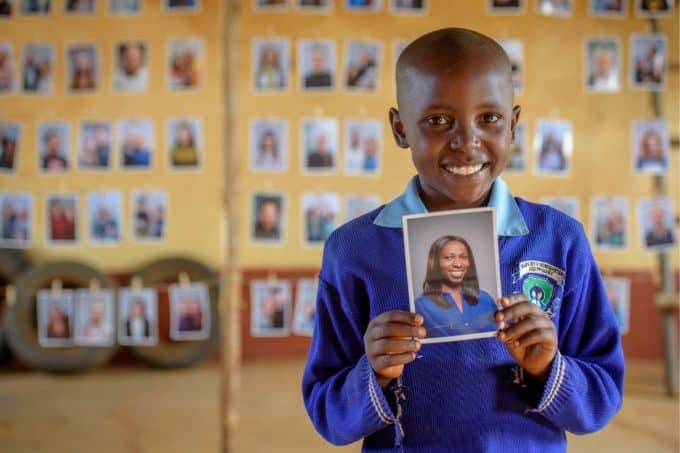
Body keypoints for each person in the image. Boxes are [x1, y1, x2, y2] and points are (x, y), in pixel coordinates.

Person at [302, 28, 623, 451]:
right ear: (400, 129)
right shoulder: (354, 250)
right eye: (438, 121)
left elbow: (601, 396)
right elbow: (327, 412)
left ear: (513, 125)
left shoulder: (559, 240)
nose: (466, 142)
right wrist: (373, 373)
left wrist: (549, 367)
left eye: (489, 118)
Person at [415, 236, 497, 338]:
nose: (458, 264)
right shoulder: (421, 305)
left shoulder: (485, 299)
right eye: (449, 257)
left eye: (463, 257)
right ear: (435, 262)